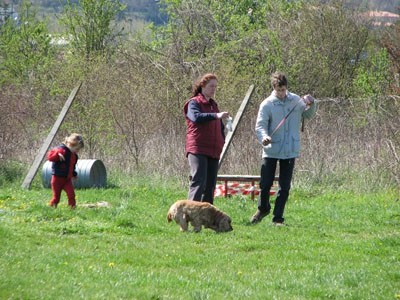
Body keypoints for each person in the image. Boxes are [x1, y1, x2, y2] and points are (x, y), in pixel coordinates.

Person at [251, 72, 317, 226]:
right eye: (278, 90)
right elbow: (260, 126)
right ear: (273, 88)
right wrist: (264, 137)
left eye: (283, 90)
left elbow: (307, 115)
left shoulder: (295, 100)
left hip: (290, 150)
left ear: (287, 87)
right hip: (271, 149)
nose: (281, 93)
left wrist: (312, 103)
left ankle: (278, 218)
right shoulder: (267, 104)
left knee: (284, 186)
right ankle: (263, 208)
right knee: (265, 183)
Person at [183, 73, 229, 204]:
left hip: (213, 149)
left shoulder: (213, 105)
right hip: (198, 148)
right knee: (199, 181)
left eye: (215, 86)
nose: (213, 89)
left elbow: (219, 126)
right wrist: (216, 115)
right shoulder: (193, 103)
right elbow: (196, 117)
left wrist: (222, 139)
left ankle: (206, 217)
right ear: (202, 86)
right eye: (211, 86)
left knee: (210, 185)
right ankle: (191, 213)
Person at [47, 133, 84, 209]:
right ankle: (51, 208)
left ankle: (72, 208)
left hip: (67, 179)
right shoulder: (61, 150)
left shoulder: (74, 156)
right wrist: (57, 154)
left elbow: (72, 166)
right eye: (77, 149)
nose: (78, 151)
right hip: (57, 179)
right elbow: (50, 157)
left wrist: (74, 174)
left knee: (71, 195)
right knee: (56, 197)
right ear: (71, 145)